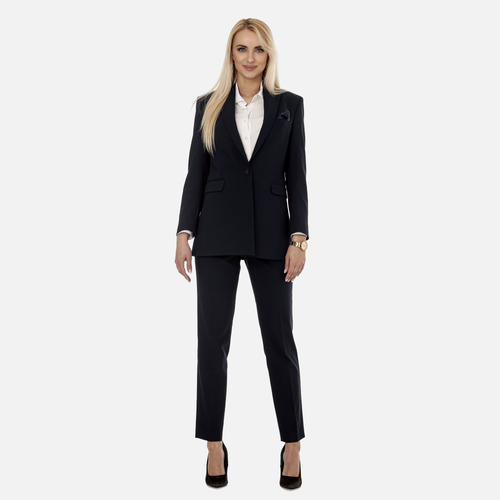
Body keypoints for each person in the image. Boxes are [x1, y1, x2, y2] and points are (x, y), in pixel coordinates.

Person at [174, 18, 309, 489]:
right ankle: (214, 445)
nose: (250, 58)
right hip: (215, 234)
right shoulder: (207, 106)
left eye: (258, 49)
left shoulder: (290, 106)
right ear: (231, 54)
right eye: (241, 48)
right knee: (212, 343)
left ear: (269, 55)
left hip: (273, 237)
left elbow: (297, 176)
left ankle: (292, 444)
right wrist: (184, 232)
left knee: (280, 342)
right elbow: (195, 173)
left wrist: (299, 238)